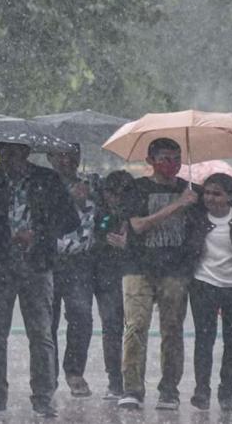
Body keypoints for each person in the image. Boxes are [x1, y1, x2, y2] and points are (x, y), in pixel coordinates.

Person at [0, 142, 80, 418]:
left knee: (41, 333)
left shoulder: (47, 179)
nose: (7, 158)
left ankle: (43, 398)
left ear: (26, 152)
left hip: (37, 264)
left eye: (13, 152)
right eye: (2, 152)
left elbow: (69, 221)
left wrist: (38, 234)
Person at [117, 138, 200, 411]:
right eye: (164, 158)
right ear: (150, 161)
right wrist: (177, 205)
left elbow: (216, 214)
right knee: (136, 326)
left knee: (172, 329)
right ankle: (132, 388)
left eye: (176, 158)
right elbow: (138, 225)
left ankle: (169, 390)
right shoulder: (136, 188)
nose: (171, 164)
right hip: (138, 267)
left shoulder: (191, 191)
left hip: (175, 270)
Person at [184, 173, 232, 411]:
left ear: (230, 196)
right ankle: (202, 390)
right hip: (203, 285)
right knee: (204, 339)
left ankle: (226, 391)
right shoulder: (195, 218)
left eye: (217, 193)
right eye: (207, 193)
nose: (210, 198)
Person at [46, 146, 97, 397]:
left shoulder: (92, 184)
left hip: (80, 260)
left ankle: (75, 370)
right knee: (47, 320)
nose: (67, 160)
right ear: (50, 157)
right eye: (61, 155)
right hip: (49, 257)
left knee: (81, 315)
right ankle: (48, 374)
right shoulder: (44, 183)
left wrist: (88, 198)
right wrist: (67, 199)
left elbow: (109, 212)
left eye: (72, 155)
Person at [91, 170, 137, 400]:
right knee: (111, 327)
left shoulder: (138, 214)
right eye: (112, 193)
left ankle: (132, 380)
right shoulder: (99, 212)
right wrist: (105, 239)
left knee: (134, 328)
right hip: (106, 276)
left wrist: (129, 244)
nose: (116, 198)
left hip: (134, 275)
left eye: (122, 193)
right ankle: (115, 380)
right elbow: (92, 237)